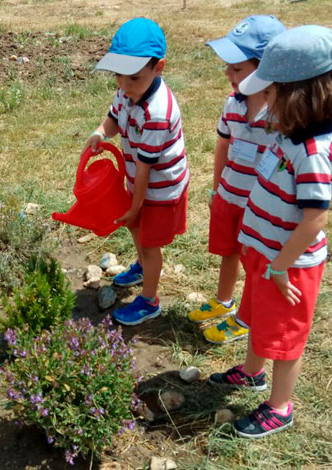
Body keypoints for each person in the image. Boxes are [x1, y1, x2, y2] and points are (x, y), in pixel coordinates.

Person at [207, 25, 332, 438]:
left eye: (270, 92)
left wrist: (280, 266)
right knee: (260, 319)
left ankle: (279, 406)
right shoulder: (287, 129)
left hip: (286, 263)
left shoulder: (312, 150)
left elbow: (314, 218)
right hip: (265, 249)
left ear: (297, 96)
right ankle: (252, 372)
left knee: (285, 337)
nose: (263, 100)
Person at [187, 15, 286, 345]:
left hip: (260, 209)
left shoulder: (281, 116)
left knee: (255, 264)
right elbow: (223, 146)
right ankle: (223, 300)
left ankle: (245, 318)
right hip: (231, 195)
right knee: (229, 251)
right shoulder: (232, 104)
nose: (228, 73)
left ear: (266, 68)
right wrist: (218, 188)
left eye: (237, 68)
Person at [86, 18, 189, 326]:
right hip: (139, 181)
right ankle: (143, 267)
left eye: (132, 77)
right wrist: (101, 132)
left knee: (149, 240)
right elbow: (113, 118)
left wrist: (135, 206)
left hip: (160, 188)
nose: (123, 84)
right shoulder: (127, 91)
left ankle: (150, 300)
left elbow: (146, 167)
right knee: (136, 230)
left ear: (159, 68)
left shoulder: (158, 112)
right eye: (117, 74)